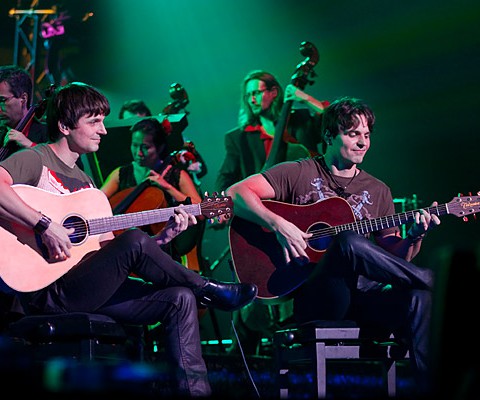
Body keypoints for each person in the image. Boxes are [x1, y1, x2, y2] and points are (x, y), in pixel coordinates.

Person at [0, 82, 257, 397]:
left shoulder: (88, 184)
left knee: (179, 298)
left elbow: (110, 251)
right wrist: (43, 224)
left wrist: (163, 238)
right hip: (48, 291)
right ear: (65, 126)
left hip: (86, 286)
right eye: (94, 121)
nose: (104, 131)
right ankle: (206, 287)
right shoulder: (35, 158)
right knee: (136, 241)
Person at [226, 96, 439, 396]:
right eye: (353, 134)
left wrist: (415, 235)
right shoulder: (299, 172)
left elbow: (394, 256)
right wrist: (278, 224)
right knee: (346, 240)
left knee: (420, 297)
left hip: (364, 300)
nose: (363, 142)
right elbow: (235, 192)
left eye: (366, 135)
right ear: (328, 135)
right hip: (319, 297)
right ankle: (436, 281)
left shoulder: (379, 190)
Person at [214, 69, 328, 355]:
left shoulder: (298, 123)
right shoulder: (238, 138)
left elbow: (334, 119)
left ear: (274, 92)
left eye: (259, 91)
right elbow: (226, 179)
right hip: (255, 217)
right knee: (247, 280)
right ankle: (245, 354)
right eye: (249, 94)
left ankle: (295, 344)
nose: (253, 98)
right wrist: (225, 204)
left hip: (299, 219)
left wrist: (303, 96)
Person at [100, 117, 204, 268]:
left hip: (166, 248)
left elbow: (200, 210)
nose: (138, 153)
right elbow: (97, 202)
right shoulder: (121, 173)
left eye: (145, 147)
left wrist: (168, 187)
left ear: (160, 147)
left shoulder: (176, 175)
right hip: (127, 249)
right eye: (134, 145)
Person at [0, 65, 49, 158]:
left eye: (2, 100)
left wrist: (30, 146)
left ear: (23, 99)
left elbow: (71, 170)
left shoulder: (49, 135)